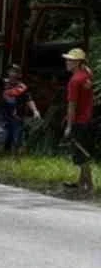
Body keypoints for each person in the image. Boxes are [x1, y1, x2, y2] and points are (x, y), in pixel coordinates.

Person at [61, 48, 95, 193]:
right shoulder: (86, 74)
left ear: (78, 63)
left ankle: (89, 186)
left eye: (71, 60)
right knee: (83, 151)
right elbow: (89, 71)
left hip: (79, 121)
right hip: (88, 118)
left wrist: (69, 126)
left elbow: (72, 105)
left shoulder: (74, 81)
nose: (67, 62)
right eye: (67, 59)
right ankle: (81, 183)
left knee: (81, 155)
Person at [0, 64, 40, 156]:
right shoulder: (2, 83)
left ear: (19, 74)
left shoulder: (22, 88)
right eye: (11, 71)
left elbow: (29, 100)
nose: (13, 74)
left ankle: (14, 160)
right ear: (8, 72)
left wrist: (35, 111)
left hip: (17, 117)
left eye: (15, 72)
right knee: (2, 138)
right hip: (3, 116)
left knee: (16, 140)